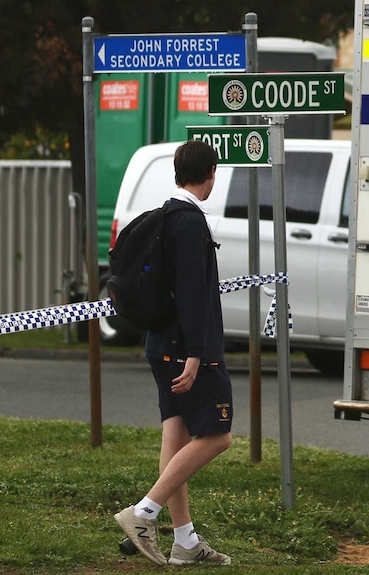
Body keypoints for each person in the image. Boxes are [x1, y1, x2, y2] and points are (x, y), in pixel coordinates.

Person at [114, 140, 233, 566]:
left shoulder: (164, 216)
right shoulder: (189, 224)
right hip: (187, 351)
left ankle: (184, 541)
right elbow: (192, 295)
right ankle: (143, 512)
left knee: (176, 433)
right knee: (218, 436)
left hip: (160, 345)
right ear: (211, 174)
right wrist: (199, 355)